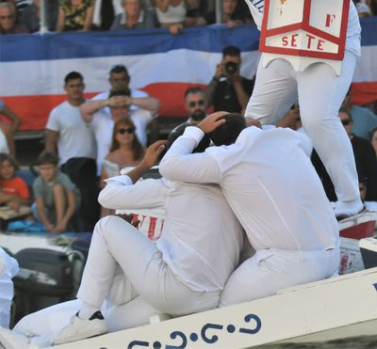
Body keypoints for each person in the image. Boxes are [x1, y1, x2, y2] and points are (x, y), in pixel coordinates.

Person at [190, 0, 364, 217]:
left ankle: (351, 199)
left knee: (316, 118)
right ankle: (224, 194)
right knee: (249, 124)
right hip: (281, 45)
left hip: (328, 38)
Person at [51, 134, 244, 344]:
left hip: (175, 292)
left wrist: (144, 165)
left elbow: (106, 197)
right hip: (208, 297)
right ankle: (77, 323)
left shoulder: (173, 187)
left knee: (106, 226)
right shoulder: (228, 188)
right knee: (116, 284)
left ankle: (87, 314)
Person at [159, 112, 339, 306]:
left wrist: (198, 130)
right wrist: (253, 126)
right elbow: (298, 140)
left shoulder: (227, 157)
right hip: (332, 252)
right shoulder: (289, 138)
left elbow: (168, 166)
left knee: (220, 306)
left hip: (290, 262)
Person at [45, 71, 99, 230]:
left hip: (92, 169)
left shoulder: (93, 108)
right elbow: (51, 143)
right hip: (68, 168)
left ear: (84, 86)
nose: (76, 89)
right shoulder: (57, 112)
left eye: (78, 85)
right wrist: (52, 168)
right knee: (73, 205)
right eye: (72, 86)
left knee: (92, 204)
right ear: (65, 88)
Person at [80, 88, 160, 176]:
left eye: (123, 107)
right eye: (115, 108)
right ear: (109, 109)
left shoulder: (138, 117)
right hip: (108, 175)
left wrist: (131, 101)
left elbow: (156, 104)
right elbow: (83, 110)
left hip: (139, 174)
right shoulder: (101, 120)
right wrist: (107, 102)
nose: (120, 111)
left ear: (129, 107)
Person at [33, 151, 81, 234]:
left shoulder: (63, 178)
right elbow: (40, 208)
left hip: (67, 206)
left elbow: (72, 204)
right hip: (50, 206)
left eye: (49, 168)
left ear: (55, 168)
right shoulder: (38, 183)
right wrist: (47, 224)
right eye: (43, 169)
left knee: (57, 188)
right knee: (34, 207)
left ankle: (59, 224)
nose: (46, 172)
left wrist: (63, 222)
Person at [204, 45, 254, 114]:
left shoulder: (249, 84)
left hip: (240, 123)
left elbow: (248, 108)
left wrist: (236, 82)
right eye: (228, 64)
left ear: (240, 63)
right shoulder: (218, 85)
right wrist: (215, 78)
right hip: (219, 123)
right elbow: (204, 105)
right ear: (222, 64)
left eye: (234, 65)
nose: (231, 67)